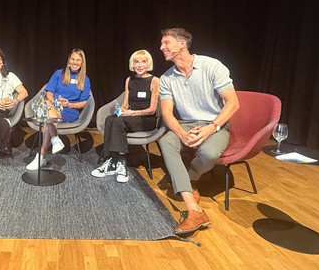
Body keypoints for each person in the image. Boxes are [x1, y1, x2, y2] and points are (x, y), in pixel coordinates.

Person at [156, 28, 239, 235]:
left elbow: (233, 103)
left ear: (182, 44)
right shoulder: (166, 78)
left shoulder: (212, 66)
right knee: (166, 141)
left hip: (215, 123)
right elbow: (167, 113)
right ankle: (193, 210)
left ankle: (188, 179)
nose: (161, 47)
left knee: (209, 153)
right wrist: (181, 133)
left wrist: (212, 127)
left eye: (166, 43)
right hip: (186, 123)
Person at [91, 49, 159, 183]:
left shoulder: (155, 81)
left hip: (146, 119)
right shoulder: (129, 80)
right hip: (130, 117)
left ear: (148, 64)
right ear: (132, 64)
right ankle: (112, 159)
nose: (140, 65)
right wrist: (121, 109)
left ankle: (121, 163)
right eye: (136, 62)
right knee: (110, 119)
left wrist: (132, 113)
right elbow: (126, 104)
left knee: (118, 122)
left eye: (143, 62)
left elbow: (152, 110)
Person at [26, 49, 92, 171]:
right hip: (53, 107)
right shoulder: (58, 74)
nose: (75, 62)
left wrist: (69, 104)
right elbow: (49, 93)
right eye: (73, 59)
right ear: (69, 60)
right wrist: (55, 102)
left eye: (78, 60)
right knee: (48, 108)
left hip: (69, 111)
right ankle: (54, 140)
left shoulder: (85, 80)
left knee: (47, 116)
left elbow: (83, 103)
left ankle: (42, 156)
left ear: (82, 63)